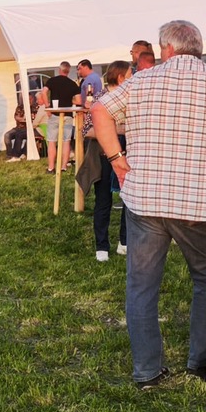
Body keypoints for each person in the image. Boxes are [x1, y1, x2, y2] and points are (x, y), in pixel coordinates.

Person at [92, 20, 206, 389]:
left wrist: (116, 158)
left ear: (166, 48)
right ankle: (200, 359)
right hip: (196, 201)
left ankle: (147, 371)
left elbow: (99, 111)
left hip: (145, 197)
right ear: (198, 47)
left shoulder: (141, 80)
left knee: (142, 286)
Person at [81, 60, 130, 262]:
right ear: (120, 77)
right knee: (103, 201)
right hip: (104, 156)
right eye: (130, 76)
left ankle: (124, 242)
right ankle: (102, 246)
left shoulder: (131, 98)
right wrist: (118, 129)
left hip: (128, 154)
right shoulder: (100, 98)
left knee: (129, 200)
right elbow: (87, 131)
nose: (133, 79)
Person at [45, 62, 80, 173]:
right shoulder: (72, 84)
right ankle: (63, 166)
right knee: (66, 141)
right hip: (68, 115)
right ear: (68, 71)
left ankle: (51, 167)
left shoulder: (52, 81)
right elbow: (79, 101)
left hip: (55, 114)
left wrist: (47, 107)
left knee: (52, 141)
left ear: (59, 70)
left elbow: (43, 92)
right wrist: (70, 101)